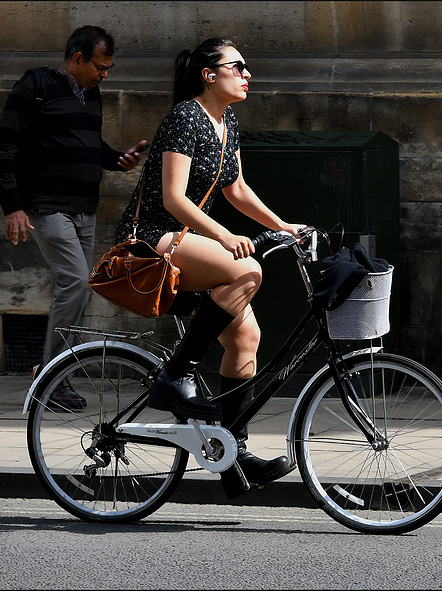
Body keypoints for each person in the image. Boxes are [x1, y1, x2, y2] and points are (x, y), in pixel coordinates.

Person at [114, 37, 305, 498]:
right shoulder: (185, 117)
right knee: (247, 272)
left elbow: (235, 188)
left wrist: (282, 225)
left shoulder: (227, 121)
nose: (247, 74)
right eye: (237, 66)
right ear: (209, 74)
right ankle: (176, 374)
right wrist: (223, 235)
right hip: (149, 239)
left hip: (182, 239)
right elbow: (172, 198)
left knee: (246, 338)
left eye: (246, 67)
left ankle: (233, 458)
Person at [0, 25, 148, 409]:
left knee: (76, 288)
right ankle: (52, 378)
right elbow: (2, 147)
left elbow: (89, 143)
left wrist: (116, 160)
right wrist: (12, 207)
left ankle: (52, 372)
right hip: (47, 204)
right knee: (75, 280)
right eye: (101, 66)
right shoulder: (34, 86)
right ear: (78, 58)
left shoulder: (91, 91)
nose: (105, 74)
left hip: (84, 206)